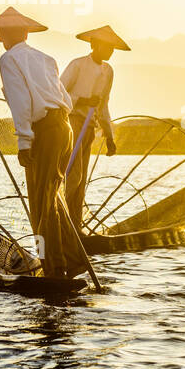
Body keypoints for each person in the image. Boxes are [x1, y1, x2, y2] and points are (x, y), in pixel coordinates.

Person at [0, 6, 91, 279]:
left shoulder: (8, 60)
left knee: (43, 202)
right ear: (26, 33)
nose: (1, 39)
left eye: (2, 34)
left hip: (46, 133)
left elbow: (20, 102)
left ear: (1, 36)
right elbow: (68, 100)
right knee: (53, 196)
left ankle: (54, 268)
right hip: (64, 129)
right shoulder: (46, 58)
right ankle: (71, 260)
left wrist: (24, 143)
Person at [61, 24, 130, 230]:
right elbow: (58, 94)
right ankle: (62, 221)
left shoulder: (108, 71)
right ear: (94, 45)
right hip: (72, 123)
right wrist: (81, 100)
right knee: (73, 175)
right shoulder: (78, 65)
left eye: (112, 48)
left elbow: (103, 104)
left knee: (81, 181)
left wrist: (109, 136)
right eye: (106, 47)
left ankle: (75, 224)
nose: (110, 52)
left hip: (89, 128)